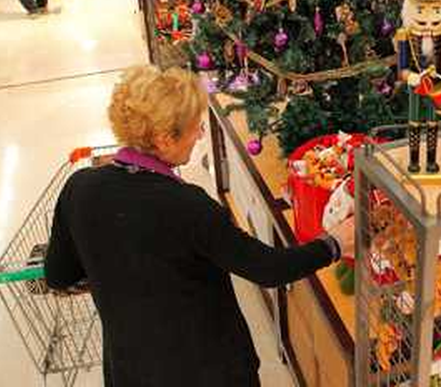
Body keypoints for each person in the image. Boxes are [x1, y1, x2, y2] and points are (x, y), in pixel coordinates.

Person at [44, 66, 354, 386]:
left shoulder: (79, 188)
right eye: (195, 128)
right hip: (211, 371)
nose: (200, 136)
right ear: (164, 139)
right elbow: (268, 268)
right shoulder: (188, 206)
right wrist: (332, 244)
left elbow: (58, 276)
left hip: (131, 372)